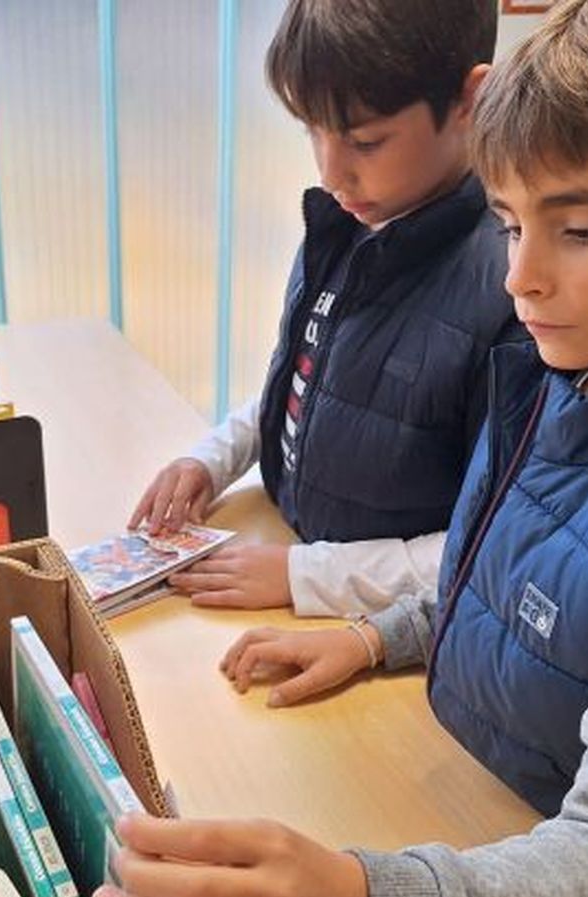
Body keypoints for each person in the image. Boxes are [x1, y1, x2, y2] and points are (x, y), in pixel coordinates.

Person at [96, 0, 588, 897]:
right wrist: (380, 635)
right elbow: (512, 580)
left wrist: (357, 894)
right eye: (506, 221)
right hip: (495, 815)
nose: (519, 275)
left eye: (579, 232)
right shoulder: (572, 373)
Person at [129, 0, 519, 618]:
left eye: (366, 140)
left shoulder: (517, 285)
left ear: (471, 99)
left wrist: (306, 576)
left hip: (385, 629)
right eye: (312, 130)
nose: (332, 172)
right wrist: (212, 458)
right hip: (287, 550)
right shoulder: (348, 223)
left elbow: (498, 544)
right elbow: (306, 383)